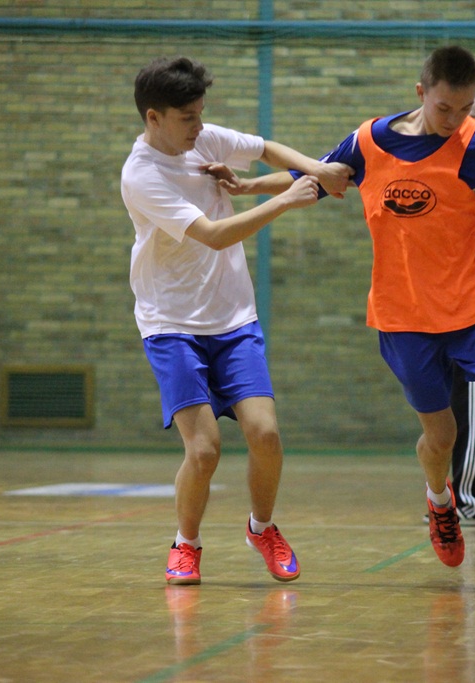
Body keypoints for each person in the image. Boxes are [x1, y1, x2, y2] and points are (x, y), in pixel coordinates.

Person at [213, 46, 475, 582]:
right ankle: (438, 499)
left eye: (465, 108)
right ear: (421, 94)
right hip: (404, 316)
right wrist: (250, 185)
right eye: (446, 108)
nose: (455, 120)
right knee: (441, 437)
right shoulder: (371, 141)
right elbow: (321, 176)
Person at [120, 55, 352, 585]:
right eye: (188, 118)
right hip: (172, 324)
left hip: (233, 319)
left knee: (265, 435)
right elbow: (216, 234)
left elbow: (265, 148)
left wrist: (315, 169)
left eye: (202, 115)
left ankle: (261, 527)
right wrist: (288, 198)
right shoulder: (142, 175)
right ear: (153, 118)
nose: (200, 128)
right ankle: (186, 543)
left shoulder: (200, 139)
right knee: (203, 450)